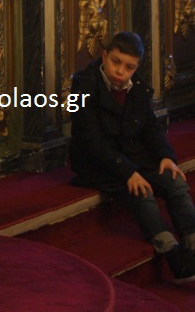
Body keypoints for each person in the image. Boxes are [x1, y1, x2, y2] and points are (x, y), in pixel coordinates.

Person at [69, 31, 195, 283]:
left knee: (175, 182)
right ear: (104, 55)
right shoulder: (82, 87)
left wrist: (166, 156)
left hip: (133, 157)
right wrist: (128, 172)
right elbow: (90, 140)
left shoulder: (137, 87)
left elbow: (150, 127)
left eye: (129, 67)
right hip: (97, 163)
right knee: (141, 191)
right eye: (116, 62)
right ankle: (172, 252)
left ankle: (192, 242)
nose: (120, 72)